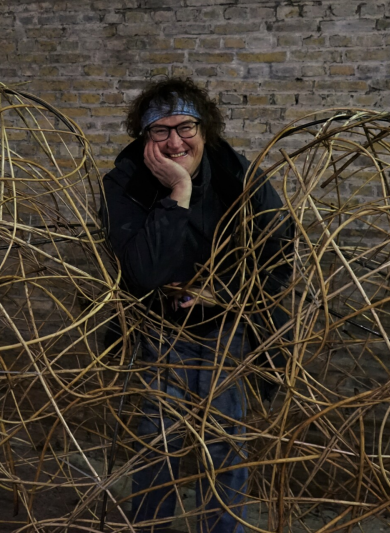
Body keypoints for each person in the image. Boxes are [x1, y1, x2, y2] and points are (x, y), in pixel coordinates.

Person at [100, 78, 289, 533]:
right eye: (159, 131)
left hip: (228, 325)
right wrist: (179, 191)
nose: (174, 142)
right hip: (159, 326)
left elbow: (279, 254)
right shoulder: (125, 183)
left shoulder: (238, 176)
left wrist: (225, 292)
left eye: (185, 127)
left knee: (223, 440)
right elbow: (142, 272)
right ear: (144, 137)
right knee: (158, 440)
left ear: (206, 129)